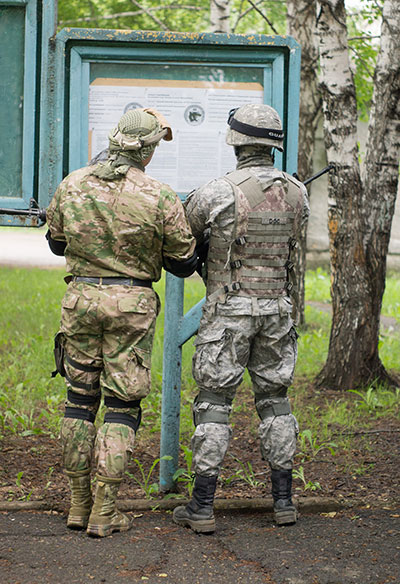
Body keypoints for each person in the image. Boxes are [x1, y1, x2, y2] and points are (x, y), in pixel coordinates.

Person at [46, 108, 197, 537]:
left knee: (78, 399)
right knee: (121, 404)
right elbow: (184, 263)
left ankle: (78, 504)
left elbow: (57, 244)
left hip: (80, 299)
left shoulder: (72, 183)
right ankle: (105, 511)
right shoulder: (159, 196)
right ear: (147, 151)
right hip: (131, 305)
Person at [173, 104, 310, 533]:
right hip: (276, 313)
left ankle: (202, 506)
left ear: (236, 142)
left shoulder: (216, 191)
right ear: (273, 144)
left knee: (214, 405)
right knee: (276, 402)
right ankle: (284, 502)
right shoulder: (298, 192)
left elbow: (185, 240)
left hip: (228, 316)